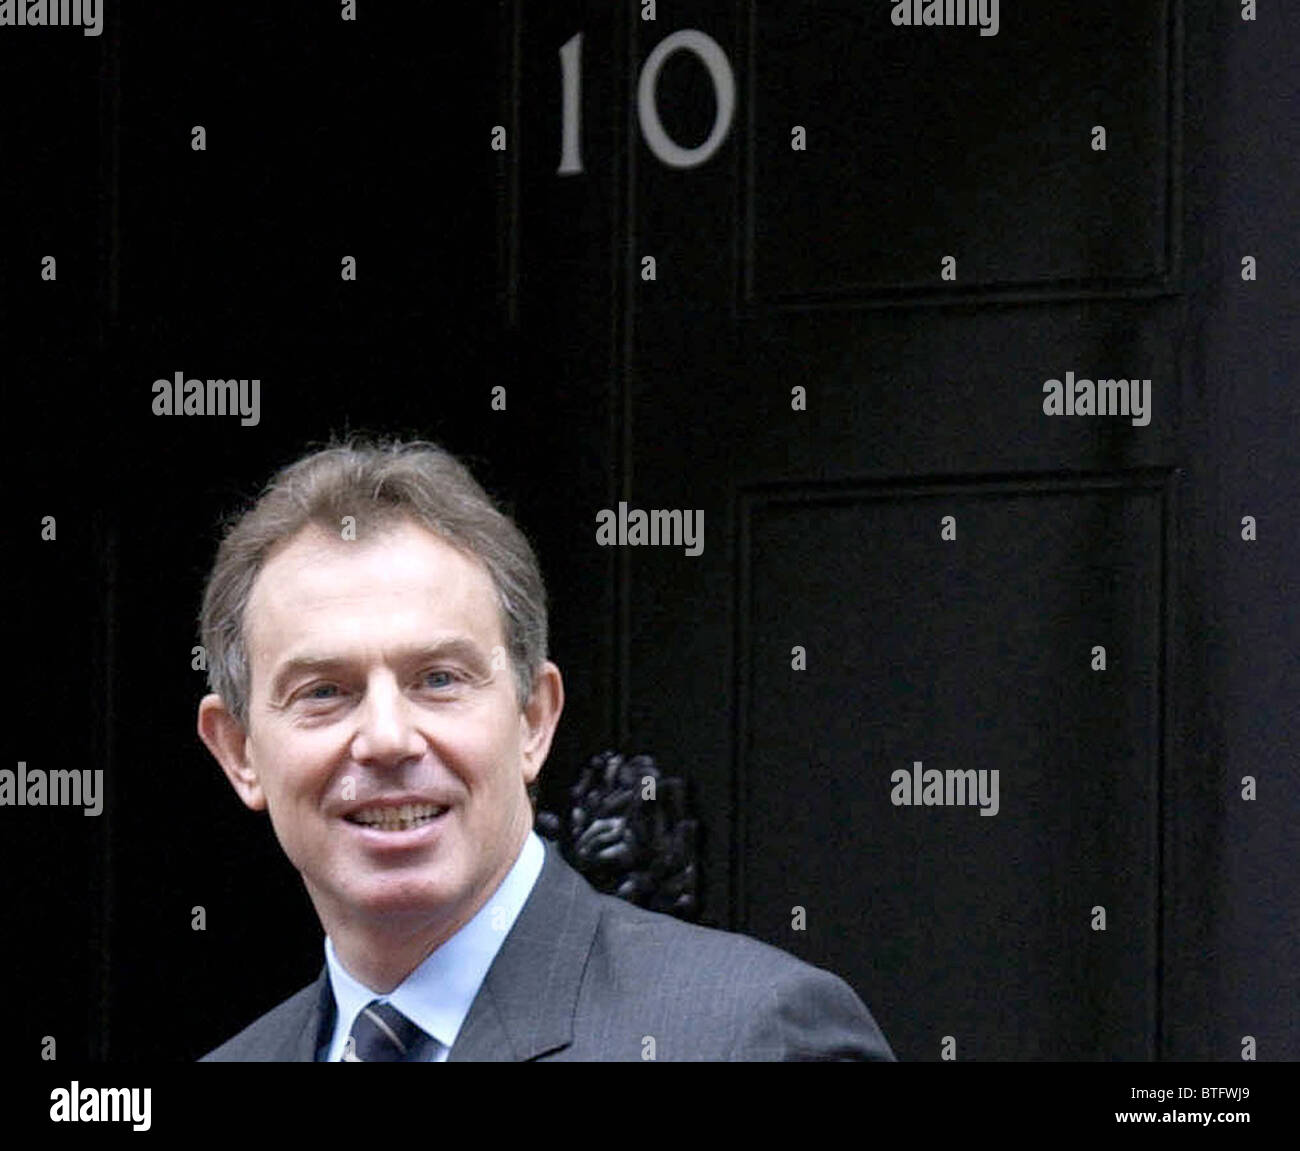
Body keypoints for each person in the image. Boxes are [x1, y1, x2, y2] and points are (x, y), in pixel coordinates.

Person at [196, 438, 894, 1061]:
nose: (386, 738)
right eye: (324, 691)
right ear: (239, 751)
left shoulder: (754, 1037)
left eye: (439, 679)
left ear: (533, 719)